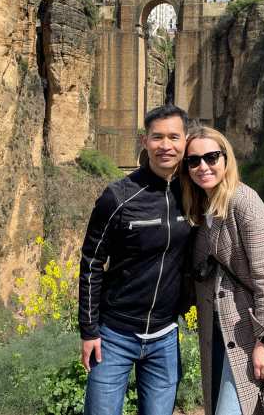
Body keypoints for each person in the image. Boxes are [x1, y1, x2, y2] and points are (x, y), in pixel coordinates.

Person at [78, 105, 195, 415]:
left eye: (174, 137)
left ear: (186, 141)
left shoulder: (194, 194)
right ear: (145, 141)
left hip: (165, 337)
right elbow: (91, 262)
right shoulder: (118, 196)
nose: (165, 145)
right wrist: (89, 331)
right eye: (157, 137)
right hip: (114, 335)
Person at [182, 126, 264, 415]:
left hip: (250, 333)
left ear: (226, 158)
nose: (203, 166)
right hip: (220, 331)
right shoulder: (203, 206)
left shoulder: (244, 202)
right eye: (194, 160)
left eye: (211, 157)